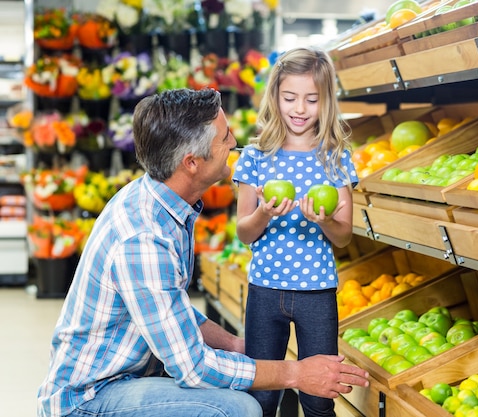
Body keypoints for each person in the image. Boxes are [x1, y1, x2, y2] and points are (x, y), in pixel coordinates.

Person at [36, 88, 369, 417]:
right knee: (239, 408)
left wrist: (238, 347)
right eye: (224, 138)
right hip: (90, 400)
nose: (234, 141)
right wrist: (296, 373)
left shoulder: (162, 202)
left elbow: (171, 312)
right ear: (192, 163)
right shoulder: (144, 238)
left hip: (128, 376)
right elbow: (192, 367)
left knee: (236, 379)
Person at [232, 47, 359, 417]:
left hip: (317, 292)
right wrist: (264, 214)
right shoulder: (255, 157)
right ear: (275, 98)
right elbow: (243, 232)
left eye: (311, 99)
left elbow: (344, 236)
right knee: (261, 396)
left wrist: (325, 220)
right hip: (264, 291)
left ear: (326, 102)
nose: (299, 109)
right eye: (289, 98)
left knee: (319, 399)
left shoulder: (336, 157)